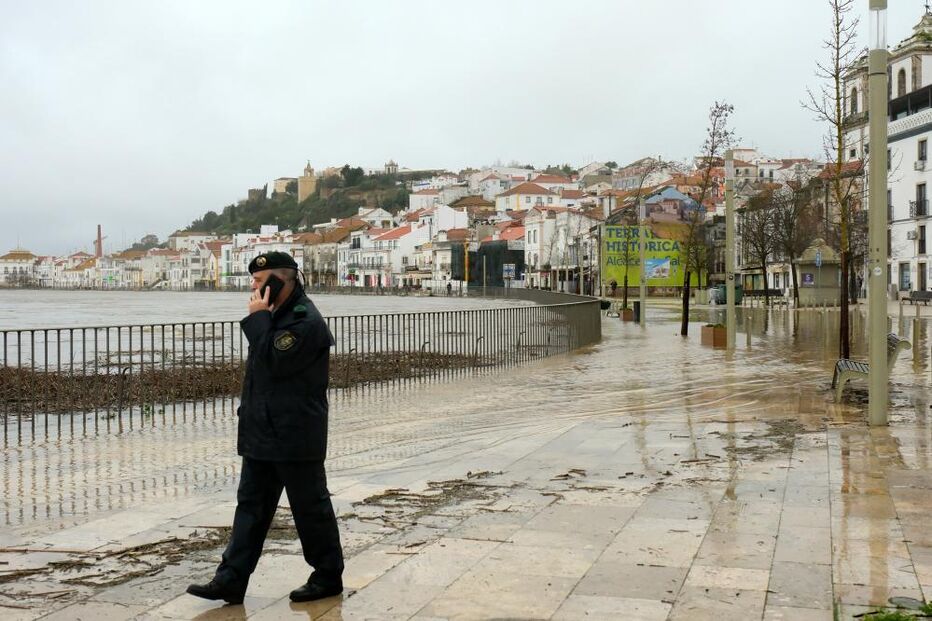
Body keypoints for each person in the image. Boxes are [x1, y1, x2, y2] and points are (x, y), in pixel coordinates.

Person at [187, 251, 344, 605]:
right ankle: (230, 580)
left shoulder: (304, 321)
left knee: (310, 508)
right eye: (254, 282)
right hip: (262, 430)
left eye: (260, 282)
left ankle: (327, 576)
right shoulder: (275, 318)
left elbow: (274, 361)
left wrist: (258, 318)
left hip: (295, 432)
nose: (254, 289)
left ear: (282, 281)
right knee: (250, 508)